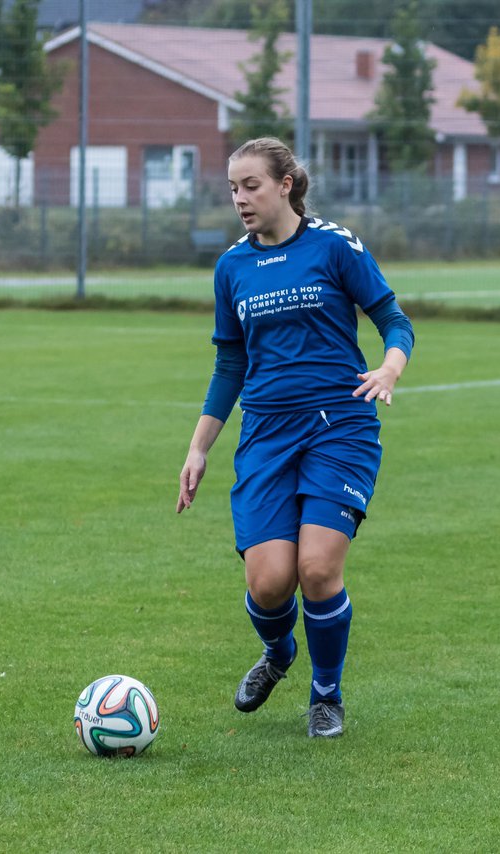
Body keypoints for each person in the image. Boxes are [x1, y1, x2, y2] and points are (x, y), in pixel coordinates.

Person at [176, 137, 414, 738]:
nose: (240, 199)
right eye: (232, 188)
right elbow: (230, 364)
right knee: (268, 580)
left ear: (286, 184)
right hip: (265, 434)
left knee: (316, 569)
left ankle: (326, 694)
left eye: (251, 185)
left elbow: (392, 319)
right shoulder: (232, 266)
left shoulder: (335, 246)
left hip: (340, 426)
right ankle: (279, 653)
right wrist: (199, 447)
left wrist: (389, 367)